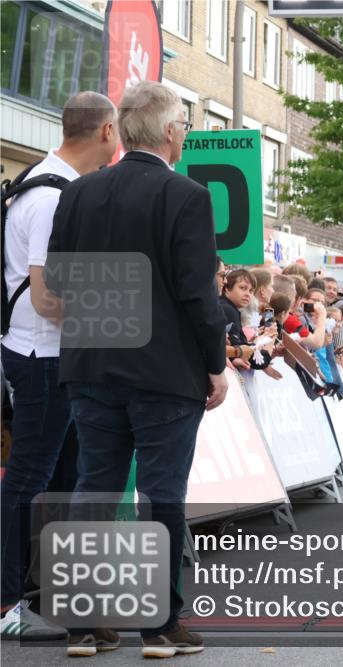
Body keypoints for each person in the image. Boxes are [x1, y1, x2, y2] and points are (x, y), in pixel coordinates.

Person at [45, 81, 225, 658]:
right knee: (161, 492)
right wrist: (216, 364)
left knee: (93, 485)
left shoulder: (80, 193)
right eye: (186, 129)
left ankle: (82, 623)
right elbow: (198, 294)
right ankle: (159, 625)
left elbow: (60, 280)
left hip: (92, 362)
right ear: (173, 133)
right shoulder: (187, 196)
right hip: (164, 371)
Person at [0, 91, 118, 642]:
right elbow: (48, 298)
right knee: (28, 479)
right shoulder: (52, 197)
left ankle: (60, 600)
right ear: (107, 131)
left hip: (47, 352)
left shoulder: (44, 183)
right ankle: (6, 604)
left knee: (64, 482)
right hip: (43, 353)